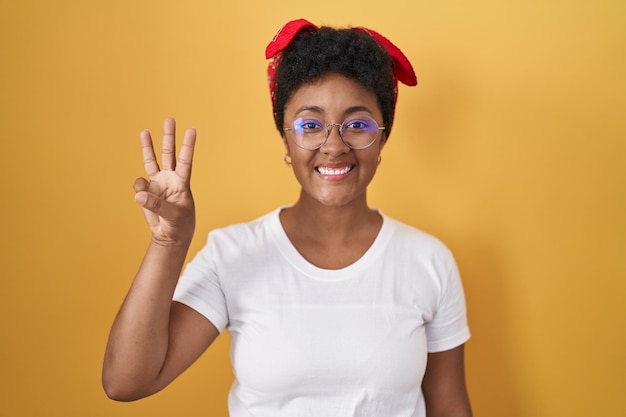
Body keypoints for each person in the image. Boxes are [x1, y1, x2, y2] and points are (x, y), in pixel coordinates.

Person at [103, 18, 472, 417]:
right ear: (285, 136)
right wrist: (168, 243)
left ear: (382, 137)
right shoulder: (233, 254)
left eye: (358, 125)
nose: (334, 146)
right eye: (310, 125)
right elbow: (126, 381)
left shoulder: (429, 261)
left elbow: (449, 407)